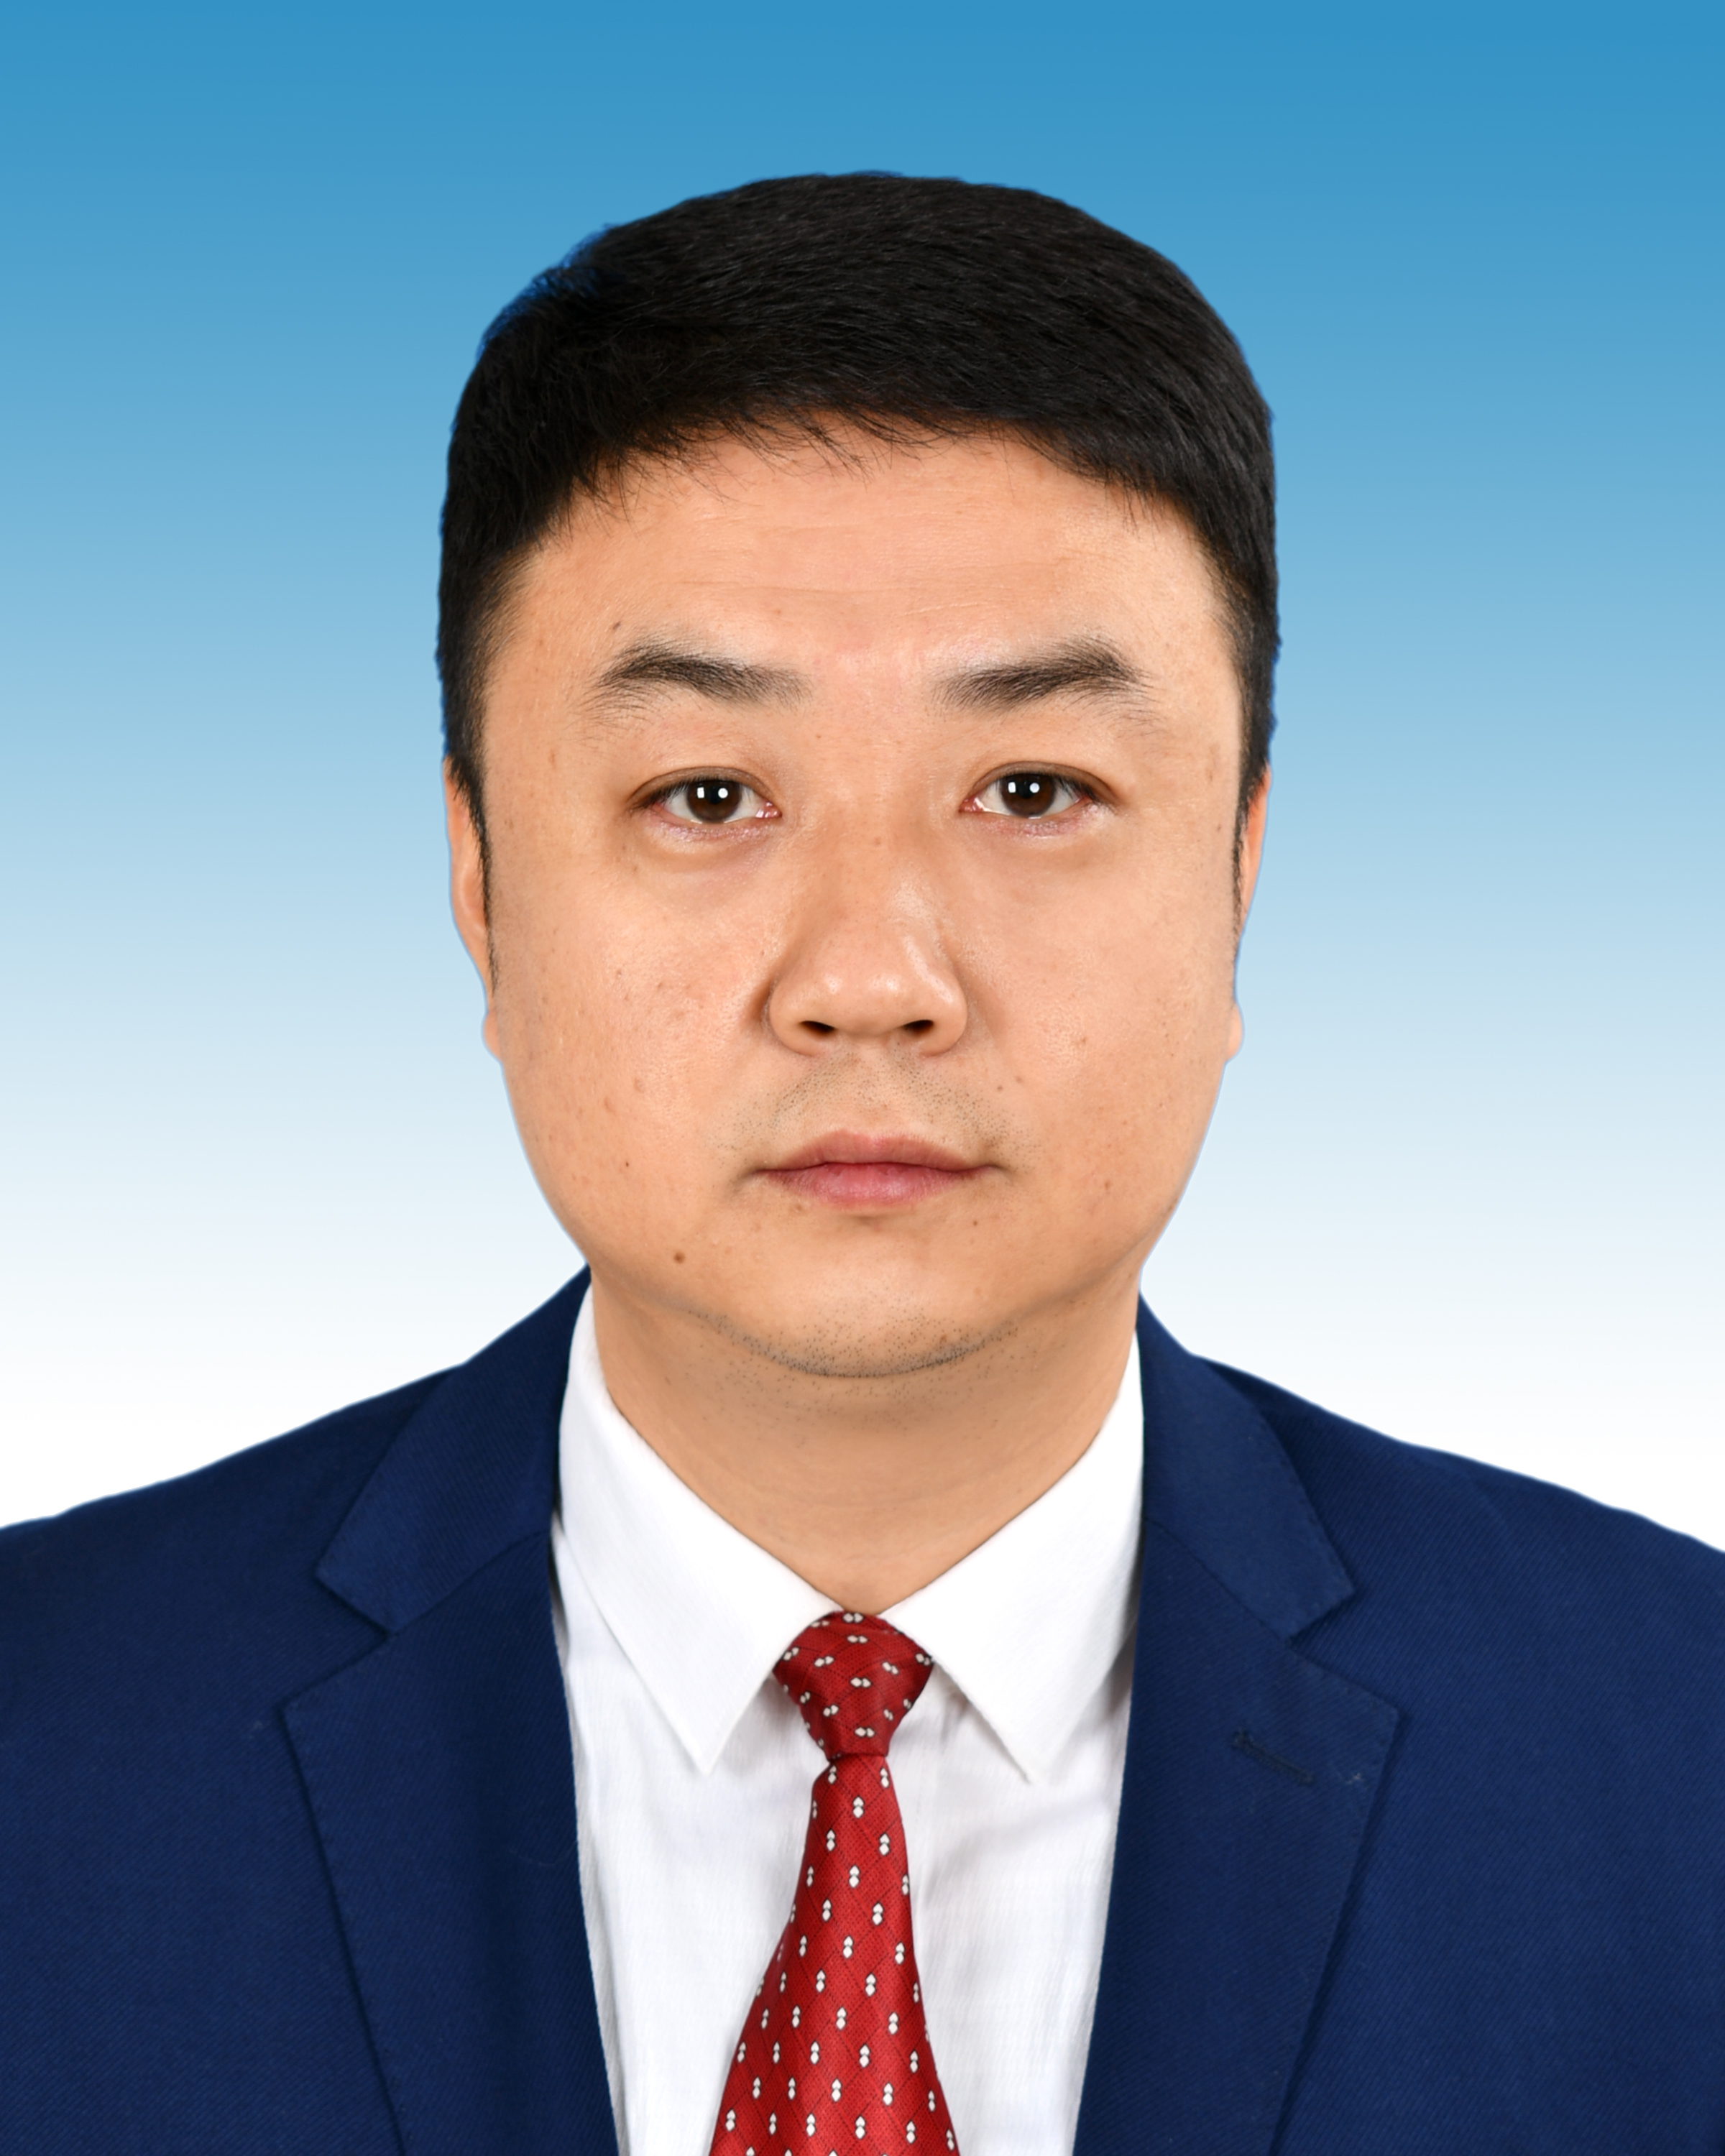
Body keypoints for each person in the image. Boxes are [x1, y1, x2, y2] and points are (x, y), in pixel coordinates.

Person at [3, 173, 1722, 2156]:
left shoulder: (1676, 1749)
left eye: (1034, 790)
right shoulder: (46, 1737)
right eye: (707, 795)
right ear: (480, 885)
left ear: (1241, 871)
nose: (871, 983)